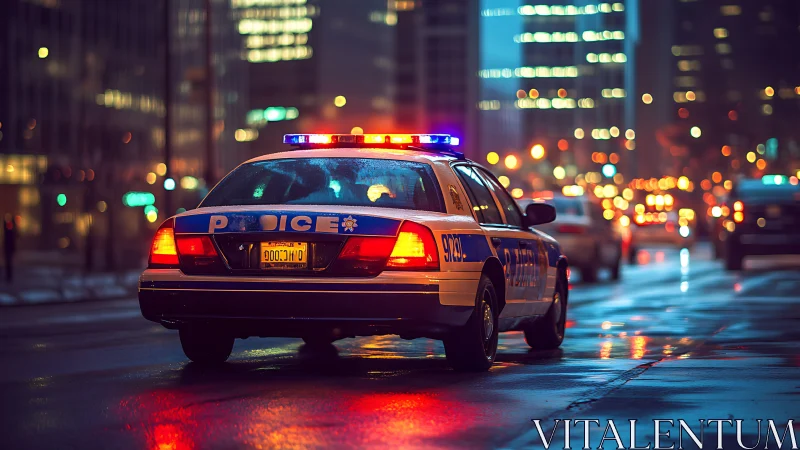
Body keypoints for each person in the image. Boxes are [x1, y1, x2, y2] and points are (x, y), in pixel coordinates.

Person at [3, 214, 16, 282]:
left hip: (8, 248)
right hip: (8, 248)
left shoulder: (9, 232)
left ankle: (9, 276)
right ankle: (9, 276)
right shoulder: (9, 231)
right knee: (8, 263)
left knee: (9, 263)